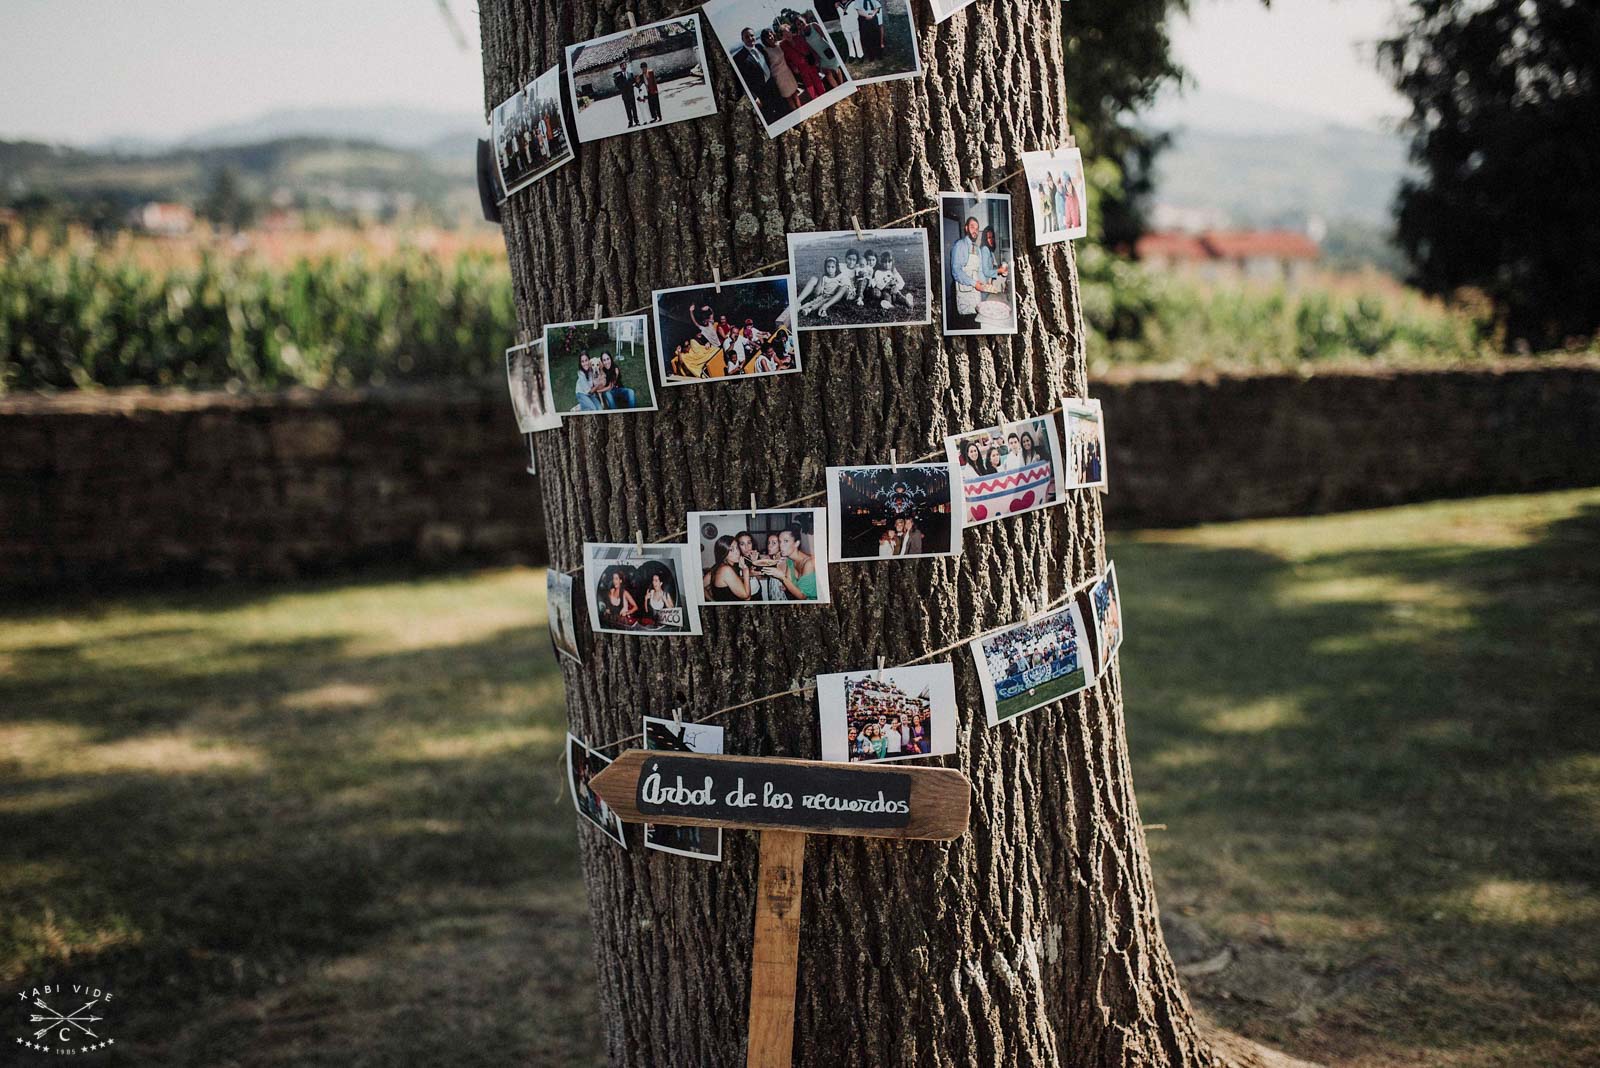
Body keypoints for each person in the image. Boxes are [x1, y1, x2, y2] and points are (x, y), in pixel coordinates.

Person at [949, 213, 1003, 326]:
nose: (975, 230)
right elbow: (956, 271)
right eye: (972, 227)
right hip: (965, 292)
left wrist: (985, 286)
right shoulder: (960, 245)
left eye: (977, 228)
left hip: (975, 293)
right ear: (966, 228)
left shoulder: (977, 249)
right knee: (966, 322)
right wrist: (975, 283)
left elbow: (979, 271)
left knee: (977, 320)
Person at [733, 28, 788, 122]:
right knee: (770, 116)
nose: (750, 38)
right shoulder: (738, 58)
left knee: (783, 109)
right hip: (760, 93)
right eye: (747, 37)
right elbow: (742, 81)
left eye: (752, 35)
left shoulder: (759, 47)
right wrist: (754, 97)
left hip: (772, 85)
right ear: (742, 39)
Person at [762, 525, 818, 601]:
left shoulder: (809, 563)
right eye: (780, 541)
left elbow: (802, 596)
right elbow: (791, 582)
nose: (781, 546)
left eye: (786, 541)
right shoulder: (790, 560)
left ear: (796, 543)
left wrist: (782, 577)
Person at [779, 23, 826, 102]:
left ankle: (824, 96)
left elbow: (809, 48)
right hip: (800, 68)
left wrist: (816, 58)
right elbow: (787, 59)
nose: (787, 35)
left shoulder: (798, 37)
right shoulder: (783, 45)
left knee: (817, 79)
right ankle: (815, 100)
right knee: (808, 84)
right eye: (785, 34)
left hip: (809, 63)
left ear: (791, 31)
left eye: (788, 32)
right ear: (782, 36)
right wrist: (793, 67)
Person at [760, 29, 805, 112]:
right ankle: (796, 113)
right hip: (778, 77)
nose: (770, 38)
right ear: (764, 40)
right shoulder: (765, 51)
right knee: (788, 97)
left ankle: (802, 111)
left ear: (773, 34)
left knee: (795, 93)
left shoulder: (779, 44)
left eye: (770, 35)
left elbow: (789, 38)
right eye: (767, 37)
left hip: (787, 72)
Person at [800, 12, 845, 89]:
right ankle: (838, 88)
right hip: (820, 55)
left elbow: (825, 36)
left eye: (801, 22)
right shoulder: (802, 34)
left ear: (804, 20)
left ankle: (842, 85)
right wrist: (816, 58)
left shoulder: (814, 25)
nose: (800, 24)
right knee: (827, 73)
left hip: (827, 50)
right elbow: (809, 47)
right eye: (798, 24)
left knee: (836, 68)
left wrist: (833, 47)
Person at [707, 536, 752, 602]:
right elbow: (747, 597)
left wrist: (713, 602)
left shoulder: (718, 566)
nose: (737, 552)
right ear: (723, 553)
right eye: (731, 550)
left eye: (737, 548)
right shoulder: (726, 570)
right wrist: (745, 571)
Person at [614, 60, 640, 128]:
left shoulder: (630, 74)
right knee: (628, 110)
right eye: (622, 66)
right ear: (620, 67)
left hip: (631, 94)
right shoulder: (618, 77)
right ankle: (630, 122)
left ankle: (637, 121)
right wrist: (624, 86)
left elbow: (634, 82)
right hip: (625, 95)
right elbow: (617, 85)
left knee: (634, 108)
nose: (624, 67)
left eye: (625, 65)